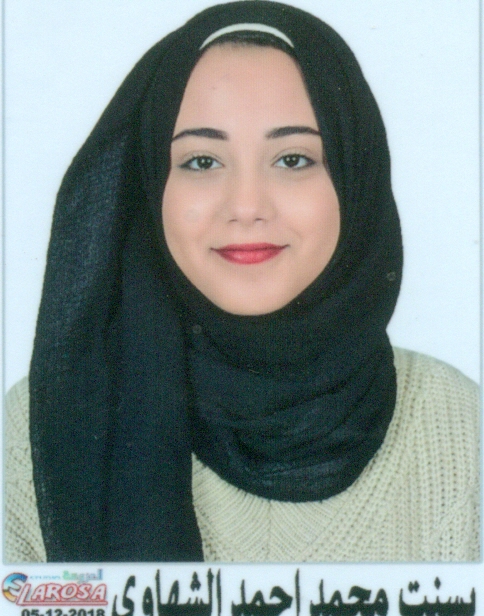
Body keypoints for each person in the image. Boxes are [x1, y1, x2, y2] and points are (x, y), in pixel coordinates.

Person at [5, 0, 479, 563]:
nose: (247, 206)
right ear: (151, 185)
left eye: (293, 159)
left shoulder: (462, 431)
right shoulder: (38, 430)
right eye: (203, 162)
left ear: (356, 176)